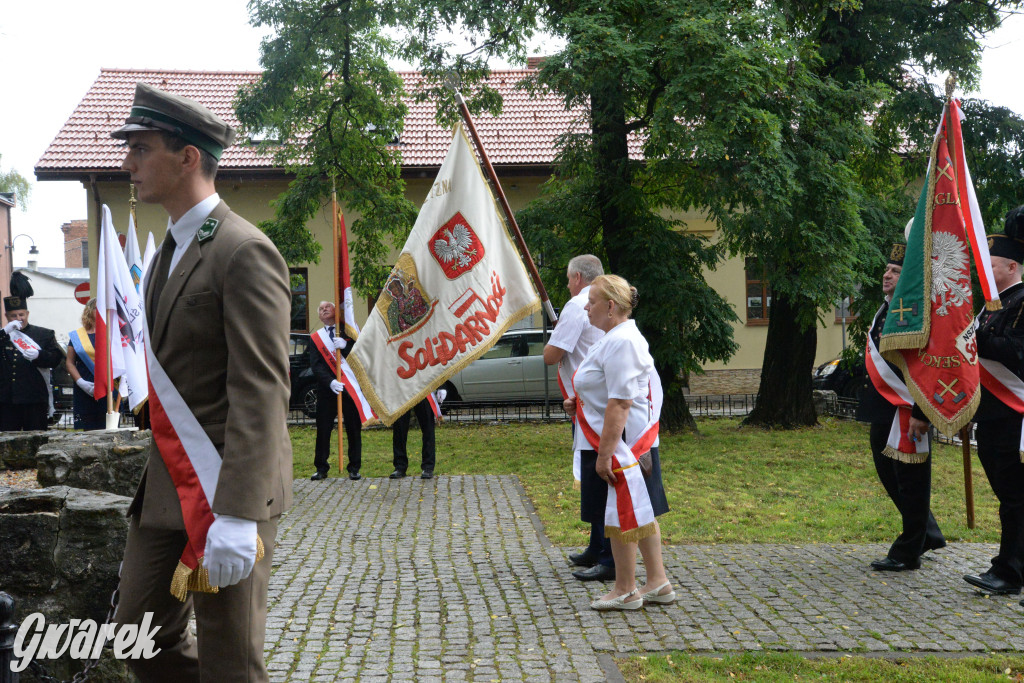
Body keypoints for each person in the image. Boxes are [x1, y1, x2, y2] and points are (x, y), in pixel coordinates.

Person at [110, 82, 293, 682]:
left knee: (230, 659)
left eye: (140, 148)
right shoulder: (168, 250)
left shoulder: (242, 250)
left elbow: (261, 388)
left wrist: (239, 514)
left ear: (188, 156)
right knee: (137, 636)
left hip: (228, 486)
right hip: (169, 482)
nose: (127, 162)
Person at [563, 274, 674, 610]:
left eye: (592, 301)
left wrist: (604, 455)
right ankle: (657, 582)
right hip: (618, 437)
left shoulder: (622, 340)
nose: (586, 306)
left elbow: (621, 401)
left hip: (620, 441)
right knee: (640, 507)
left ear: (610, 306)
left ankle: (625, 588)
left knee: (621, 510)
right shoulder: (613, 337)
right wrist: (579, 401)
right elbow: (605, 387)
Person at [857, 242, 945, 571]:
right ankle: (928, 533)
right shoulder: (888, 308)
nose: (886, 274)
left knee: (911, 482)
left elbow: (930, 366)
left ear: (908, 278)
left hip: (909, 410)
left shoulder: (918, 313)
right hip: (884, 407)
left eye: (895, 271)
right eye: (887, 269)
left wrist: (923, 411)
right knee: (889, 475)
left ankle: (908, 551)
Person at [965, 206, 1024, 597]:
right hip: (991, 415)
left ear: (1013, 267)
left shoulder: (1021, 301)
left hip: (1013, 417)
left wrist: (974, 339)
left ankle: (1008, 571)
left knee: (1015, 497)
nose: (984, 267)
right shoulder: (994, 305)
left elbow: (1017, 353)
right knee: (1009, 496)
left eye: (992, 261)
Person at [543, 254, 610, 580]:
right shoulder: (602, 304)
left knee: (598, 480)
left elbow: (551, 355)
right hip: (590, 403)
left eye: (569, 279)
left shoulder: (576, 306)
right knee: (596, 480)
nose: (569, 285)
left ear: (579, 278)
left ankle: (607, 554)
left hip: (591, 409)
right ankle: (597, 545)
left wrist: (554, 337)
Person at [0, 272, 63, 431]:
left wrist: (39, 355)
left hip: (34, 398)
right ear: (6, 316)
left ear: (27, 314)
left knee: (36, 442)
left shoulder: (43, 334)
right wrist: (3, 333)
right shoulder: (3, 336)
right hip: (7, 400)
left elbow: (56, 359)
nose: (18, 318)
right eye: (13, 315)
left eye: (21, 314)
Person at [309, 300, 362, 481]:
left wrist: (345, 346)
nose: (324, 310)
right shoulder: (316, 338)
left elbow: (360, 354)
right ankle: (321, 468)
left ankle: (354, 467)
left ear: (335, 311)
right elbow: (316, 366)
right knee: (323, 429)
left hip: (349, 388)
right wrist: (330, 381)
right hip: (327, 390)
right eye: (321, 308)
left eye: (327, 307)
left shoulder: (348, 332)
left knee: (353, 428)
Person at [66, 298, 109, 430]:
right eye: (98, 308)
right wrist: (80, 382)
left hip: (108, 386)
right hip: (84, 388)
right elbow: (69, 362)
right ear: (90, 311)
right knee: (86, 430)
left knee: (108, 428)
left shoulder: (112, 332)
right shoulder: (78, 336)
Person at [391, 397, 437, 479]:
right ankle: (400, 466)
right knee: (399, 428)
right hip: (402, 389)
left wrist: (440, 388)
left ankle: (428, 467)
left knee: (428, 427)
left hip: (422, 388)